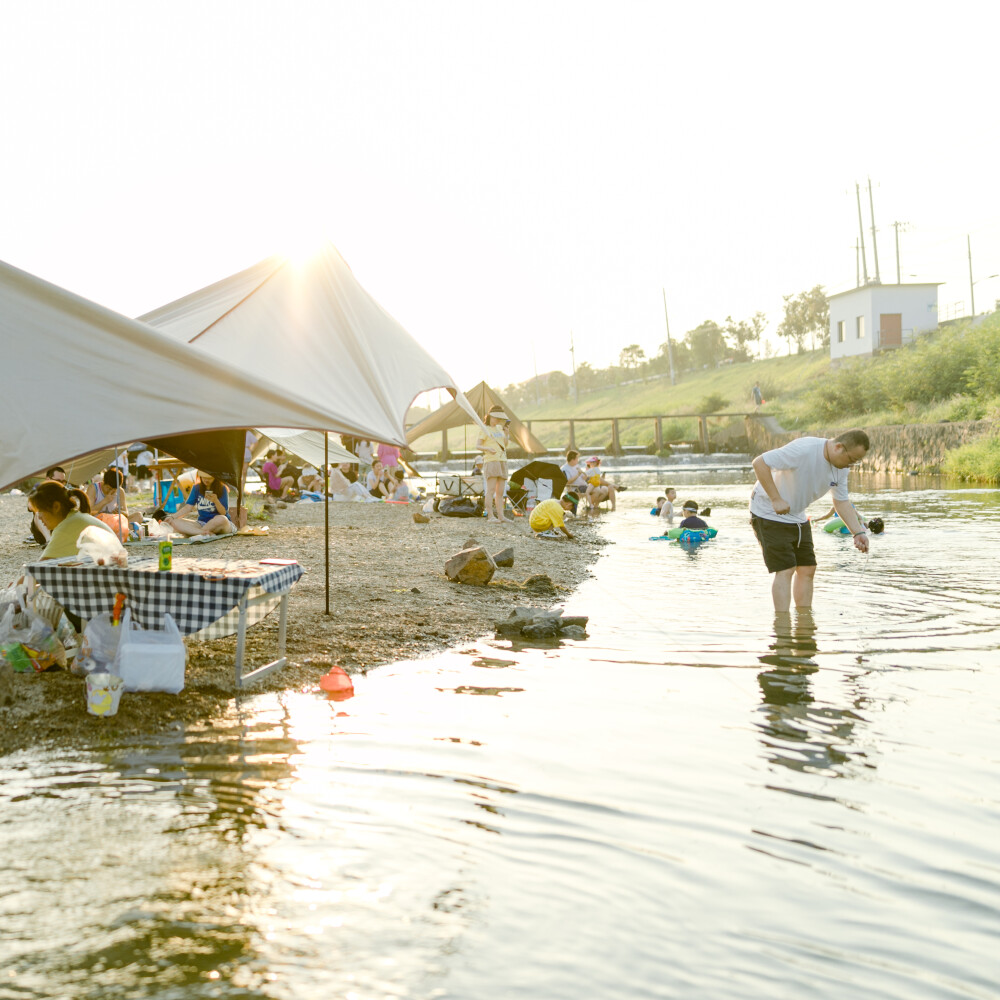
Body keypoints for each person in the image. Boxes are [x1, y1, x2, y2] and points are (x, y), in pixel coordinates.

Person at [750, 430, 870, 613]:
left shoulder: (841, 469)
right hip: (768, 511)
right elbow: (759, 463)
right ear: (838, 447)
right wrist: (775, 498)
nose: (852, 465)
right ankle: (782, 623)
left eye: (856, 462)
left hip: (797, 515)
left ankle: (804, 619)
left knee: (807, 568)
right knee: (786, 568)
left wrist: (858, 532)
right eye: (852, 459)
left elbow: (841, 502)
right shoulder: (804, 449)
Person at [28, 481, 116, 560]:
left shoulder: (67, 526)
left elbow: (38, 570)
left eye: (40, 511)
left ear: (56, 507)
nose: (38, 517)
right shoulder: (75, 517)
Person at [164, 472, 236, 536]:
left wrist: (216, 501)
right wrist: (172, 517)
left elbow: (223, 513)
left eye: (209, 478)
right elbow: (188, 507)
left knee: (221, 519)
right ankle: (203, 533)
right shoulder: (196, 488)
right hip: (202, 523)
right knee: (175, 522)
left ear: (215, 478)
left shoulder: (222, 488)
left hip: (219, 524)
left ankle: (196, 533)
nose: (206, 480)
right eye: (204, 477)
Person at [477, 406, 511, 524]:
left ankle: (501, 516)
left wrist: (506, 434)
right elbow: (478, 446)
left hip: (502, 460)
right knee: (490, 490)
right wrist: (488, 448)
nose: (498, 420)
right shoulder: (485, 429)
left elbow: (505, 445)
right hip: (491, 461)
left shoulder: (499, 428)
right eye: (497, 417)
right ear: (491, 416)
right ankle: (490, 516)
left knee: (501, 491)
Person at [86, 469, 130, 541]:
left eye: (114, 490)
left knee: (138, 516)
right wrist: (105, 501)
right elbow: (88, 512)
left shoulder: (120, 491)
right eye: (108, 488)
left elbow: (126, 513)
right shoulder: (93, 488)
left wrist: (120, 512)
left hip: (115, 523)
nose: (110, 492)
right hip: (97, 523)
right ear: (103, 482)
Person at [29, 466, 69, 544]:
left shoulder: (64, 492)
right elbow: (31, 506)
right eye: (58, 481)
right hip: (42, 531)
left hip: (58, 528)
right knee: (39, 513)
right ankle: (50, 541)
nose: (60, 484)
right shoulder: (39, 489)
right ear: (48, 479)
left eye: (63, 481)